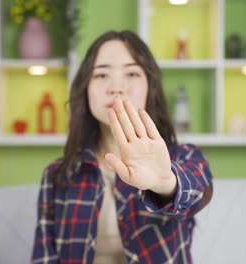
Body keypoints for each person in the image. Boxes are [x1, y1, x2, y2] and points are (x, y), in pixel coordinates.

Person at [31, 30, 213, 264]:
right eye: (101, 75)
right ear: (84, 88)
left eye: (132, 73)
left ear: (151, 87)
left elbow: (198, 193)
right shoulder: (57, 175)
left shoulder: (184, 156)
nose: (116, 87)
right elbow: (43, 258)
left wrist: (163, 182)